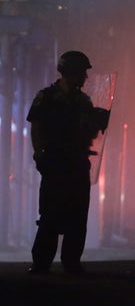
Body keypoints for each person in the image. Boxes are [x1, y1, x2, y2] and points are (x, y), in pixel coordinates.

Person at [26, 50, 110, 274]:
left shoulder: (84, 101)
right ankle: (41, 263)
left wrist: (98, 123)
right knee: (50, 215)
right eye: (81, 72)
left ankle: (71, 262)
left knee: (77, 214)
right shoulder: (47, 98)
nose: (85, 77)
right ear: (70, 73)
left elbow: (89, 133)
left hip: (77, 162)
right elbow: (37, 128)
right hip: (55, 163)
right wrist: (40, 154)